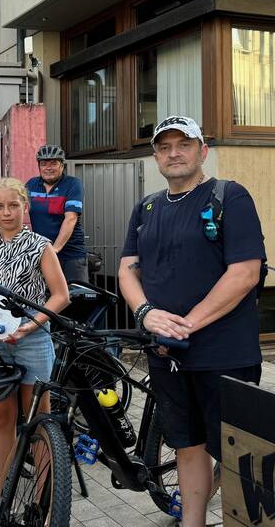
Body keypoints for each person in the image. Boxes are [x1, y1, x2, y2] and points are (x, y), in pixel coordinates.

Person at [118, 116, 265, 527]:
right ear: (155, 157)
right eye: (165, 147)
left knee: (236, 453)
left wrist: (184, 325)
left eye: (184, 144)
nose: (174, 153)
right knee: (187, 445)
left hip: (224, 354)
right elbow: (128, 269)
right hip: (169, 357)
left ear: (203, 151)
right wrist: (146, 314)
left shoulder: (229, 197)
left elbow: (245, 273)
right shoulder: (146, 207)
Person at [0, 177, 69, 527]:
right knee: (2, 420)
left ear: (25, 207)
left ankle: (44, 502)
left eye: (14, 205)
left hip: (32, 340)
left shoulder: (41, 245)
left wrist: (31, 324)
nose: (7, 212)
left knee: (39, 421)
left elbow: (60, 295)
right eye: (0, 206)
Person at [26, 145, 89, 283]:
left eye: (54, 163)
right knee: (46, 298)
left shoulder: (73, 184)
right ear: (39, 166)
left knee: (78, 300)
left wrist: (55, 249)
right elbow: (14, 206)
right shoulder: (31, 184)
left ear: (62, 165)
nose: (48, 167)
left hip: (71, 254)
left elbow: (71, 218)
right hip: (43, 252)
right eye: (44, 164)